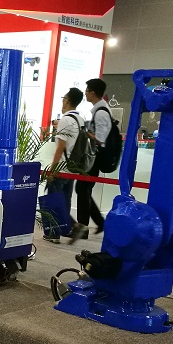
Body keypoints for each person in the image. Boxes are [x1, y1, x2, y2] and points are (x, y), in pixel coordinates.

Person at [43, 88, 84, 243]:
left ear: (67, 100)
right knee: (65, 200)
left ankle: (57, 232)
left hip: (61, 167)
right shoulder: (80, 119)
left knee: (53, 200)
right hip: (73, 167)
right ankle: (66, 229)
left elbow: (60, 147)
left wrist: (52, 169)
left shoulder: (65, 120)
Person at [72, 78, 110, 240]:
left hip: (94, 158)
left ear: (93, 93)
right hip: (94, 157)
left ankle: (85, 226)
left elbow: (101, 139)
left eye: (87, 91)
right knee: (83, 189)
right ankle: (95, 223)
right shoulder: (99, 110)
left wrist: (85, 133)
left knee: (82, 189)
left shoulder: (101, 113)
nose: (85, 93)